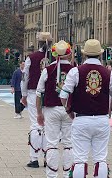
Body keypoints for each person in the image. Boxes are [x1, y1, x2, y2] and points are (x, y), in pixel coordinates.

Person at [60, 39, 112, 178]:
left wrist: (68, 110)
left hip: (81, 119)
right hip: (101, 119)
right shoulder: (108, 73)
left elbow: (63, 95)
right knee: (100, 158)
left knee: (80, 159)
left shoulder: (76, 71)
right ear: (100, 55)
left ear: (84, 55)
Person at [36, 40, 74, 177]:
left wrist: (39, 113)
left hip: (51, 109)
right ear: (69, 55)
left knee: (52, 143)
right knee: (68, 143)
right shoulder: (74, 70)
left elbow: (39, 92)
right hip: (69, 109)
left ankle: (51, 175)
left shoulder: (47, 70)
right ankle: (67, 174)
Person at [21, 32, 53, 168]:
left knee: (36, 125)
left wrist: (23, 95)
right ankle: (48, 157)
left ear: (38, 43)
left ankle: (34, 158)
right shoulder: (55, 58)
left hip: (34, 93)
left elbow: (25, 77)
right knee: (48, 127)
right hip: (51, 95)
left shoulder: (31, 58)